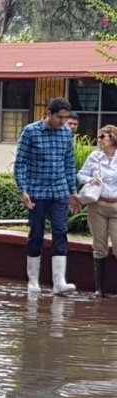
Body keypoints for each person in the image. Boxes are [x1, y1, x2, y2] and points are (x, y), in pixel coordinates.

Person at [14, 97, 79, 294]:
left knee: (60, 231)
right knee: (36, 233)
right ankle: (33, 280)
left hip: (59, 191)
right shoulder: (31, 132)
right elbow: (21, 163)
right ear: (48, 113)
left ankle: (59, 281)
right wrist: (23, 189)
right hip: (37, 191)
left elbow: (69, 164)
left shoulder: (66, 133)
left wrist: (72, 192)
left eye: (65, 118)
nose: (63, 121)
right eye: (59, 117)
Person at [77, 124, 117, 297]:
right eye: (98, 137)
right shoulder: (94, 157)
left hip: (116, 205)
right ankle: (99, 289)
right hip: (97, 205)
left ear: (113, 139)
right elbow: (80, 175)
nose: (99, 140)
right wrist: (90, 179)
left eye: (103, 137)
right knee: (99, 246)